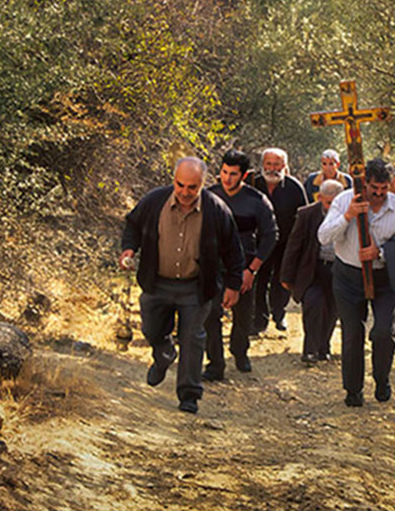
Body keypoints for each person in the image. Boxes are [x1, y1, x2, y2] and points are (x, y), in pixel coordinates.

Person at [119, 157, 243, 414]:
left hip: (195, 287)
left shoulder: (216, 210)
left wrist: (233, 285)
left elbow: (233, 251)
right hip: (157, 283)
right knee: (151, 329)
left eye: (192, 187)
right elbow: (133, 224)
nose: (185, 192)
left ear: (203, 184)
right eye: (181, 185)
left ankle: (189, 395)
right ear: (173, 180)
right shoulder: (155, 201)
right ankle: (163, 353)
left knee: (192, 338)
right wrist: (128, 249)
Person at [318, 158, 395, 406]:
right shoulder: (343, 200)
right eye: (375, 188)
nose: (379, 194)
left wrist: (381, 253)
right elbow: (323, 237)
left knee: (384, 331)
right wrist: (348, 216)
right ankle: (353, 390)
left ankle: (382, 379)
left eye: (384, 189)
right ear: (365, 184)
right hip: (348, 277)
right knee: (352, 334)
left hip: (385, 279)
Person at [205, 149, 277, 379]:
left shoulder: (257, 201)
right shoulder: (208, 196)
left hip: (245, 265)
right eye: (224, 172)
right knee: (209, 314)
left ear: (243, 176)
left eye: (233, 174)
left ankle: (240, 352)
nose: (227, 178)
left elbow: (270, 235)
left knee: (243, 315)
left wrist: (252, 270)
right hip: (213, 265)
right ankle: (215, 364)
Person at [280, 179, 343, 363]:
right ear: (320, 197)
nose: (331, 206)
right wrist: (286, 275)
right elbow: (294, 245)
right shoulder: (307, 215)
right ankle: (310, 350)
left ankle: (324, 346)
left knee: (332, 308)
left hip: (338, 269)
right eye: (328, 202)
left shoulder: (349, 215)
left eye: (335, 202)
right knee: (313, 304)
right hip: (312, 269)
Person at [251, 147, 308, 334]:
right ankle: (259, 319)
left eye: (276, 164)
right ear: (262, 165)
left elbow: (303, 217)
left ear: (284, 166)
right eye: (268, 164)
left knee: (281, 280)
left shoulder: (294, 187)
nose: (272, 168)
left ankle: (279, 313)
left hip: (286, 243)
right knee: (259, 280)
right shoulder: (253, 184)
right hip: (259, 243)